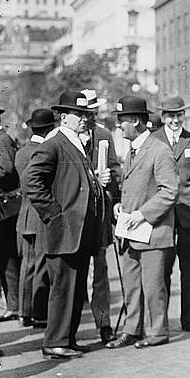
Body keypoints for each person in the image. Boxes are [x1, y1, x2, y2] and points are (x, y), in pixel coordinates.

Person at [22, 91, 106, 359]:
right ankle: (55, 341)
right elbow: (32, 181)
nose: (84, 119)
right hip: (63, 230)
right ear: (64, 117)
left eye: (86, 115)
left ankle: (67, 339)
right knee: (62, 288)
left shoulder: (75, 143)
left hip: (79, 232)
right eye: (79, 115)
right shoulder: (54, 143)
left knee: (76, 287)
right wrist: (54, 214)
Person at [106, 96, 178, 349]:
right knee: (132, 284)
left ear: (135, 120)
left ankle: (158, 332)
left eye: (121, 120)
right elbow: (134, 189)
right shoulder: (133, 151)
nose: (118, 125)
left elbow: (169, 191)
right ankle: (132, 329)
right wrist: (120, 206)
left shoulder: (159, 150)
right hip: (132, 231)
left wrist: (142, 214)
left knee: (153, 285)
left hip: (153, 232)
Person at [152, 96, 190, 333]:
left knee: (188, 268)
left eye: (178, 115)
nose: (175, 120)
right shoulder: (153, 140)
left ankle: (188, 317)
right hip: (163, 213)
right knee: (162, 267)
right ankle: (161, 319)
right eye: (170, 115)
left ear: (183, 116)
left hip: (189, 213)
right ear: (163, 117)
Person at [79, 89, 121, 344]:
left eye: (92, 111)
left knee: (100, 271)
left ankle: (104, 323)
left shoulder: (103, 135)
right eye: (84, 112)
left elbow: (115, 169)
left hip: (98, 215)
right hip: (75, 216)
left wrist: (111, 189)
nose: (88, 117)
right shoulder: (65, 137)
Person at [14, 108, 56, 327]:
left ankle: (24, 311)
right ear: (49, 129)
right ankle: (39, 312)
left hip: (24, 215)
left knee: (27, 266)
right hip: (39, 216)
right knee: (40, 265)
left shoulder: (21, 152)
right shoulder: (46, 151)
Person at [0, 102, 21, 321]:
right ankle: (13, 303)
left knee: (7, 256)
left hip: (4, 209)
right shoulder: (2, 139)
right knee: (7, 257)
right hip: (5, 208)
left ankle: (14, 304)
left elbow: (5, 169)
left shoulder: (0, 140)